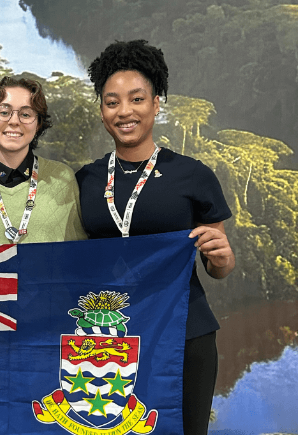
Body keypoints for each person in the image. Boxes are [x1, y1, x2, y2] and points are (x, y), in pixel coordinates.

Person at [75, 40, 235, 434]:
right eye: (112, 102)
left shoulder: (193, 175)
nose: (124, 111)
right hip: (108, 338)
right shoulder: (85, 181)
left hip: (184, 334)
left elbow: (219, 269)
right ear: (101, 110)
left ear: (156, 103)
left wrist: (221, 258)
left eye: (137, 99)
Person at [0, 76, 86, 244]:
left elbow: (78, 256)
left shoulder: (63, 179)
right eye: (4, 112)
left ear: (38, 125)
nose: (14, 121)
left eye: (26, 114)